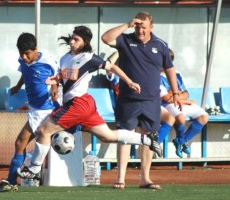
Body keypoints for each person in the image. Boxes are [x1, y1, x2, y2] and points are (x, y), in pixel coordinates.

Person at [17, 25, 163, 181]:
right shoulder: (65, 58)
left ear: (84, 42)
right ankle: (148, 140)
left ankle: (34, 169)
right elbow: (66, 78)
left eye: (76, 39)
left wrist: (129, 81)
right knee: (108, 136)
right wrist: (56, 79)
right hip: (82, 105)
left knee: (44, 130)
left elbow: (111, 67)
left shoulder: (89, 57)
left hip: (79, 103)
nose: (72, 41)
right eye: (71, 38)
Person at [101, 11, 181, 190]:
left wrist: (175, 92)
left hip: (151, 100)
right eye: (137, 26)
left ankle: (145, 178)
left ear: (151, 27)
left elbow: (169, 69)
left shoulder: (160, 45)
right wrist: (127, 25)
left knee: (149, 138)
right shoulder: (125, 40)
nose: (140, 30)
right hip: (128, 99)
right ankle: (120, 178)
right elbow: (105, 38)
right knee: (125, 136)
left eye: (143, 27)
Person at [0, 32, 59, 192]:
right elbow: (24, 71)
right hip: (34, 108)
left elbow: (57, 76)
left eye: (27, 53)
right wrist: (18, 85)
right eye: (22, 54)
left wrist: (54, 88)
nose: (24, 57)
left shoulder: (47, 61)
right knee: (21, 143)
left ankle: (13, 180)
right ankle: (16, 179)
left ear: (36, 49)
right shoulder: (23, 59)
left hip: (45, 109)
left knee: (20, 142)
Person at [160, 49, 209, 158]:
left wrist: (181, 98)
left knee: (204, 117)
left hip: (180, 102)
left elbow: (186, 92)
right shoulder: (156, 76)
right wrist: (185, 101)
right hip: (165, 105)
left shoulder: (176, 73)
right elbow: (166, 98)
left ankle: (181, 140)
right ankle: (180, 141)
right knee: (181, 117)